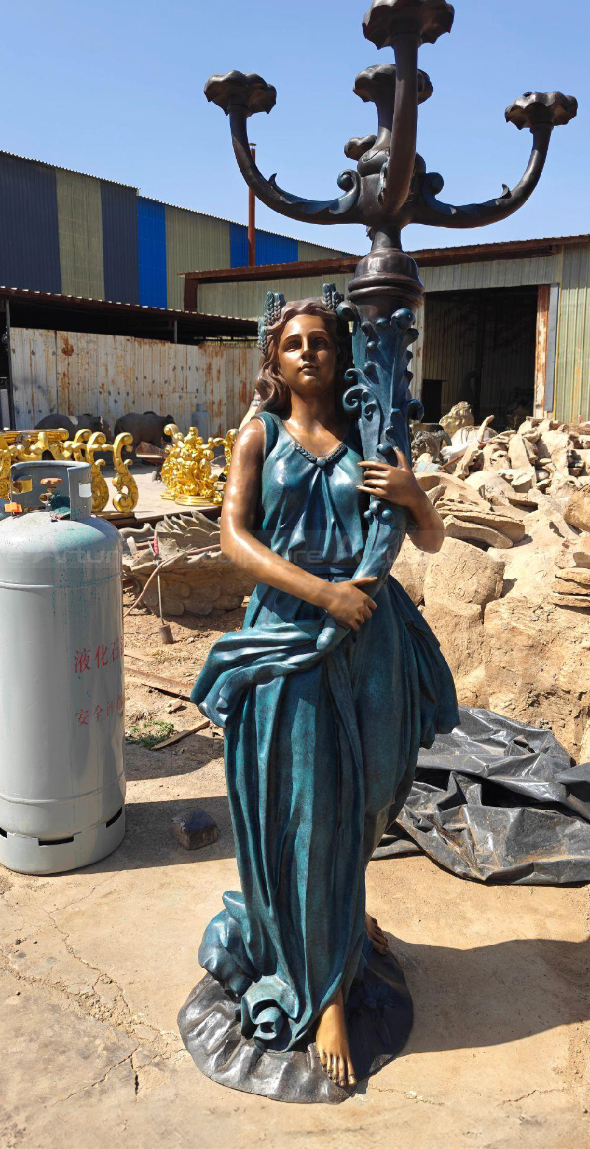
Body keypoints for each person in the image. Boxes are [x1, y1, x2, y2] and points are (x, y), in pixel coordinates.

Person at [190, 296, 458, 1090]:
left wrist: (415, 497)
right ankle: (326, 991)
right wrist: (321, 593)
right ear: (276, 360)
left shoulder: (367, 441)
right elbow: (232, 537)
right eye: (294, 344)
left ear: (341, 356)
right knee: (305, 812)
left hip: (368, 643)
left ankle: (340, 928)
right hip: (290, 644)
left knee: (364, 805)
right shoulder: (260, 435)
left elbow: (429, 539)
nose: (309, 353)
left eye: (322, 342)